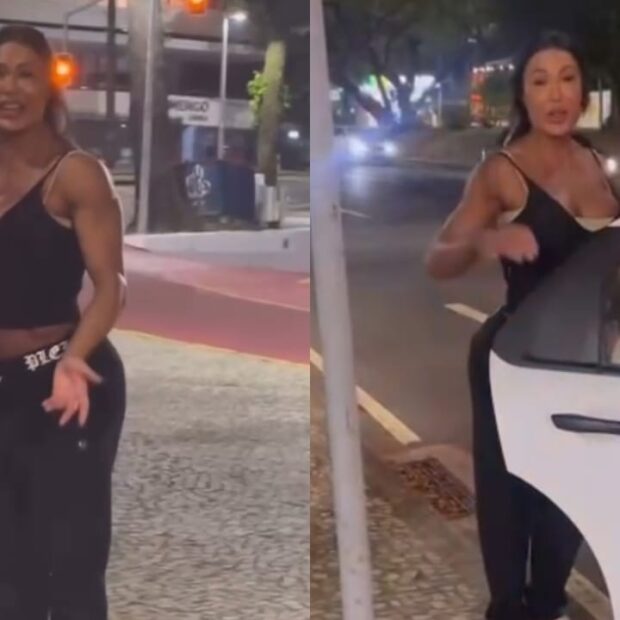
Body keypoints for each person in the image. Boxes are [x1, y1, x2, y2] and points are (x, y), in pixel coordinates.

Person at [425, 30, 619, 620]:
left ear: (583, 91)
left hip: (582, 365)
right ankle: (509, 609)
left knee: (572, 500)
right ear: (524, 96)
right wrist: (487, 241)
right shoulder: (502, 172)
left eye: (567, 79)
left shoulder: (599, 164)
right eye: (540, 81)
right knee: (511, 499)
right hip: (515, 360)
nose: (555, 94)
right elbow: (438, 259)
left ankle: (546, 604)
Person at [0, 25, 126, 619]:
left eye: (25, 74)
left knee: (70, 564)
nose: (9, 88)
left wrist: (75, 357)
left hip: (65, 385)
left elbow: (111, 285)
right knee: (10, 572)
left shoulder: (76, 174)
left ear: (49, 86)